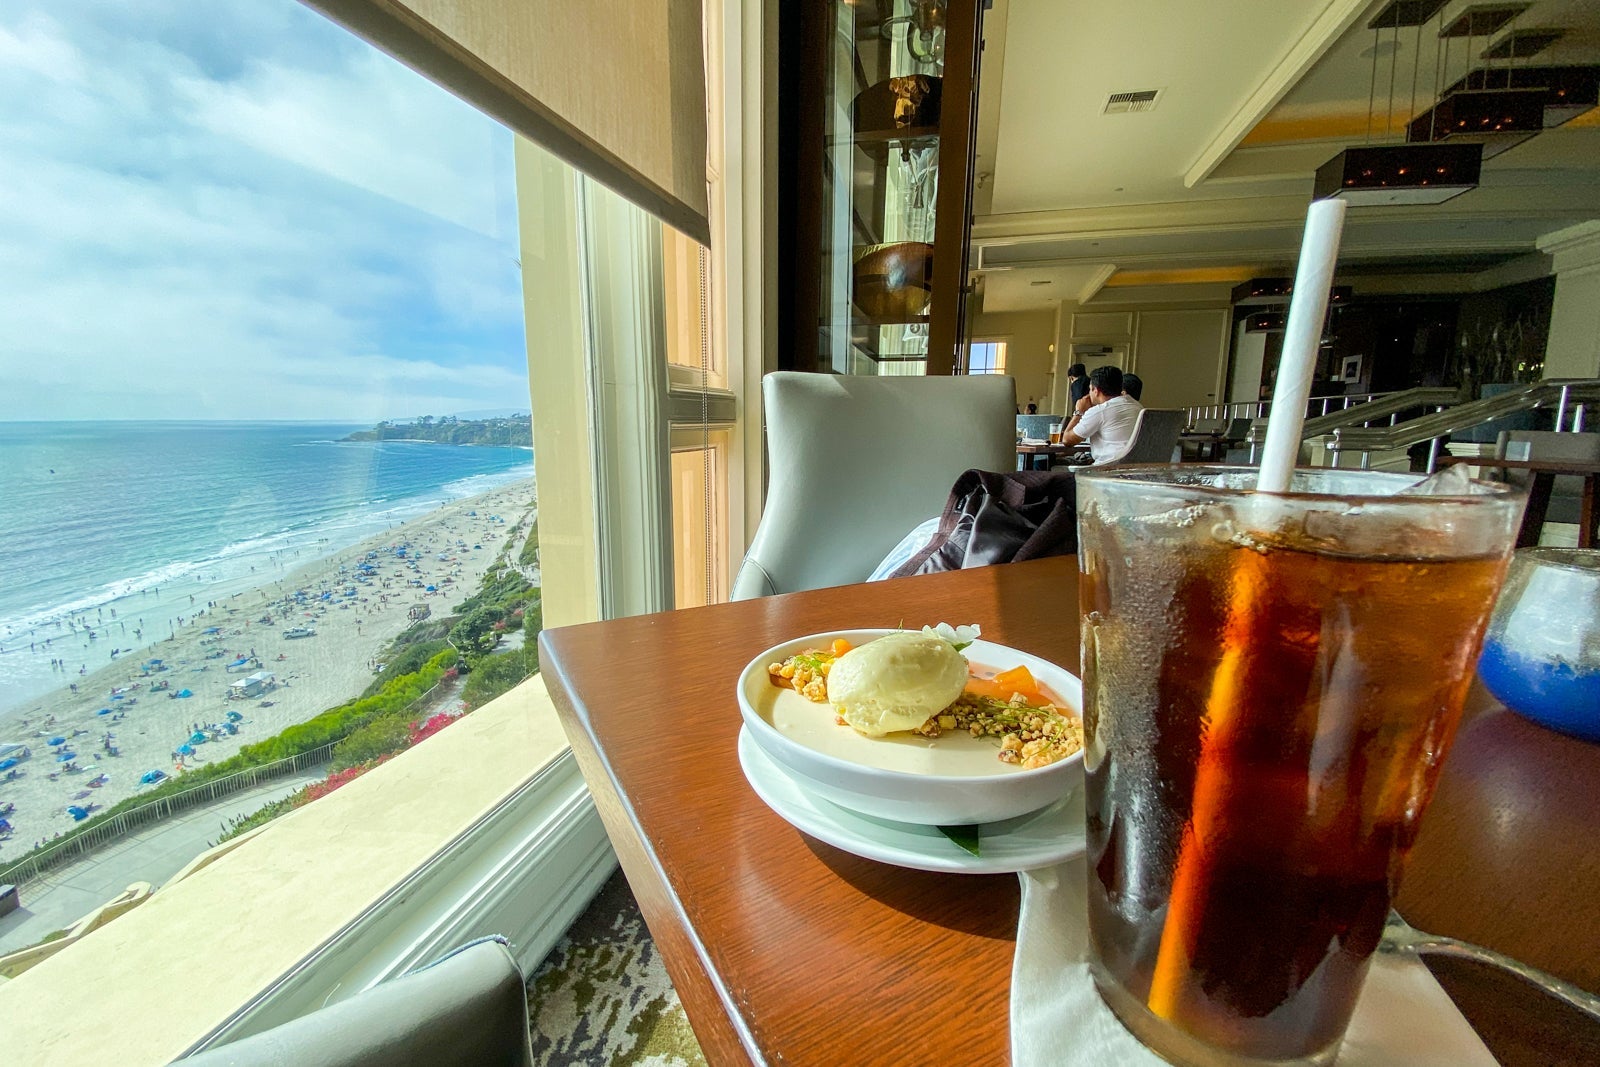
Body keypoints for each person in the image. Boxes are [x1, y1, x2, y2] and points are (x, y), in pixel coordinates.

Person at [1060, 365, 1143, 465]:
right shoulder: (1138, 407)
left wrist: (1079, 412)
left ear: (1096, 391)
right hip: (1136, 472)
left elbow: (1067, 440)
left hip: (1104, 472)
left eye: (1090, 389)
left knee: (1043, 477)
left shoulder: (1100, 411)